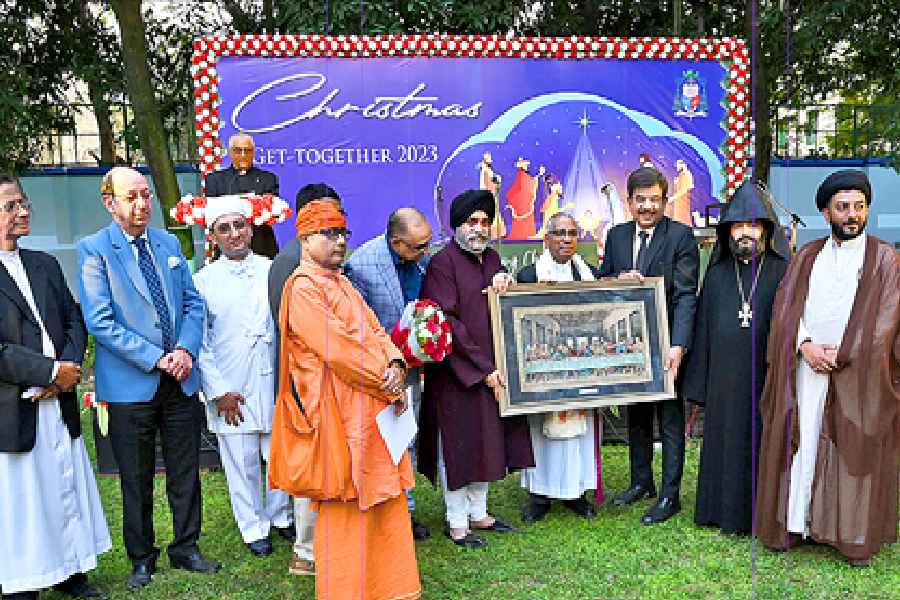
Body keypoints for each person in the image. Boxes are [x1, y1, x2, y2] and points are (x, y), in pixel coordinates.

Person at [270, 200, 421, 599]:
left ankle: (391, 589)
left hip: (371, 414)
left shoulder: (343, 283)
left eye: (342, 233)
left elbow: (374, 330)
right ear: (304, 238)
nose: (339, 242)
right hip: (339, 420)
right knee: (346, 508)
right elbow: (337, 350)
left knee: (384, 500)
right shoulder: (302, 288)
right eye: (329, 233)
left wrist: (395, 361)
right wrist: (386, 381)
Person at [78, 167, 220, 589]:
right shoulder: (94, 250)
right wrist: (158, 357)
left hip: (180, 379)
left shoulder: (168, 242)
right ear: (110, 202)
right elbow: (100, 321)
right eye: (131, 197)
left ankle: (186, 547)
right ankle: (142, 557)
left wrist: (186, 351)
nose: (142, 204)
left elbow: (194, 303)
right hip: (129, 385)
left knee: (185, 469)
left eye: (146, 195)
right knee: (135, 477)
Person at [755, 169, 900, 566]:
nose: (852, 215)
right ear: (825, 212)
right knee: (805, 441)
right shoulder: (807, 255)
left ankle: (851, 532)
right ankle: (800, 523)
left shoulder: (885, 257)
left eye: (859, 207)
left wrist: (845, 353)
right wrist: (804, 346)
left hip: (860, 371)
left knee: (855, 446)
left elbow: (888, 316)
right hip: (808, 368)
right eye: (843, 208)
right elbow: (785, 308)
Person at [0, 174, 110, 600]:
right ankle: (23, 580)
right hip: (15, 405)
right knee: (25, 500)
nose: (23, 211)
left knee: (63, 486)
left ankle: (70, 570)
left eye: (23, 203)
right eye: (11, 206)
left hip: (57, 403)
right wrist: (48, 372)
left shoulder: (44, 263)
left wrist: (67, 366)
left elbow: (73, 320)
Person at [419, 189, 534, 548]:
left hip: (489, 371)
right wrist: (483, 369)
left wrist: (502, 276)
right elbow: (447, 323)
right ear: (457, 226)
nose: (479, 229)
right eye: (472, 222)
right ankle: (457, 523)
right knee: (458, 447)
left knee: (486, 440)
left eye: (485, 222)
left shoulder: (493, 258)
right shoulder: (443, 263)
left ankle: (479, 513)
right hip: (458, 373)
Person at [681, 181, 788, 535]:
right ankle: (720, 512)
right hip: (724, 383)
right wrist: (698, 386)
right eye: (739, 225)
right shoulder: (716, 276)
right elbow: (703, 331)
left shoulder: (782, 272)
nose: (746, 232)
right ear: (728, 230)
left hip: (766, 377)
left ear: (765, 230)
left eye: (753, 225)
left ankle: (763, 514)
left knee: (763, 440)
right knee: (726, 442)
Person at [194, 196, 292, 558]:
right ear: (213, 237)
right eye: (225, 228)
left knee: (279, 452)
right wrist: (218, 392)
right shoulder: (202, 281)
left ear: (251, 228)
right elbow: (199, 342)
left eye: (240, 225)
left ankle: (281, 516)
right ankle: (253, 527)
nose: (234, 234)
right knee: (242, 459)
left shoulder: (273, 268)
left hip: (272, 377)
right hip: (231, 384)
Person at [600, 166, 699, 525]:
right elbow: (602, 283)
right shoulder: (616, 237)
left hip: (667, 345)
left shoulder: (681, 237)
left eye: (654, 200)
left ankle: (670, 494)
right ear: (629, 202)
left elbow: (687, 295)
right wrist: (616, 279)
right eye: (640, 200)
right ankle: (641, 481)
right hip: (628, 345)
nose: (647, 207)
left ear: (664, 200)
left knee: (670, 420)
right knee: (637, 415)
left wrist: (679, 346)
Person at [344, 207, 433, 541]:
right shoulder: (363, 265)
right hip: (380, 374)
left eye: (427, 244)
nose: (426, 253)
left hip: (413, 371)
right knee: (381, 445)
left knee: (407, 439)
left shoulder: (422, 258)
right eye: (418, 247)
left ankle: (405, 513)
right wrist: (391, 360)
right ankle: (382, 512)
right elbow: (359, 327)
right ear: (396, 243)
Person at [267, 183, 342, 577]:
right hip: (304, 381)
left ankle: (325, 543)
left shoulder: (324, 264)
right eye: (327, 222)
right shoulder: (290, 266)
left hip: (330, 380)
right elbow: (302, 333)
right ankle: (305, 551)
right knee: (311, 464)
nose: (336, 231)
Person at [516, 212, 601, 523]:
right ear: (546, 238)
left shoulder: (588, 272)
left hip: (580, 368)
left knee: (579, 433)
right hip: (544, 371)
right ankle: (539, 495)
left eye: (572, 233)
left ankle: (576, 493)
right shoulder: (528, 275)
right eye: (559, 233)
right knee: (542, 432)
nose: (566, 239)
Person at [205, 133, 280, 258]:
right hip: (228, 248)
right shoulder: (215, 179)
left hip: (262, 246)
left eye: (248, 151)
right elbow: (212, 215)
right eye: (238, 151)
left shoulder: (268, 179)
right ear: (230, 152)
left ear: (254, 153)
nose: (243, 155)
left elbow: (272, 213)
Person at [505, 158, 544, 240]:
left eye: (527, 165)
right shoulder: (522, 175)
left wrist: (539, 175)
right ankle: (523, 234)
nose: (527, 167)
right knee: (523, 220)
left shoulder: (523, 175)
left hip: (525, 202)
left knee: (526, 219)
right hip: (522, 203)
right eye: (526, 165)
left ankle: (526, 233)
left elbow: (530, 183)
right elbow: (524, 187)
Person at [669, 159, 694, 226]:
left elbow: (684, 189)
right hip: (679, 201)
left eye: (678, 165)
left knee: (683, 217)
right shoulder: (681, 174)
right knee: (678, 217)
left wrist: (673, 198)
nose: (677, 167)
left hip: (683, 199)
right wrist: (676, 183)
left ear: (682, 165)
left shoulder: (686, 174)